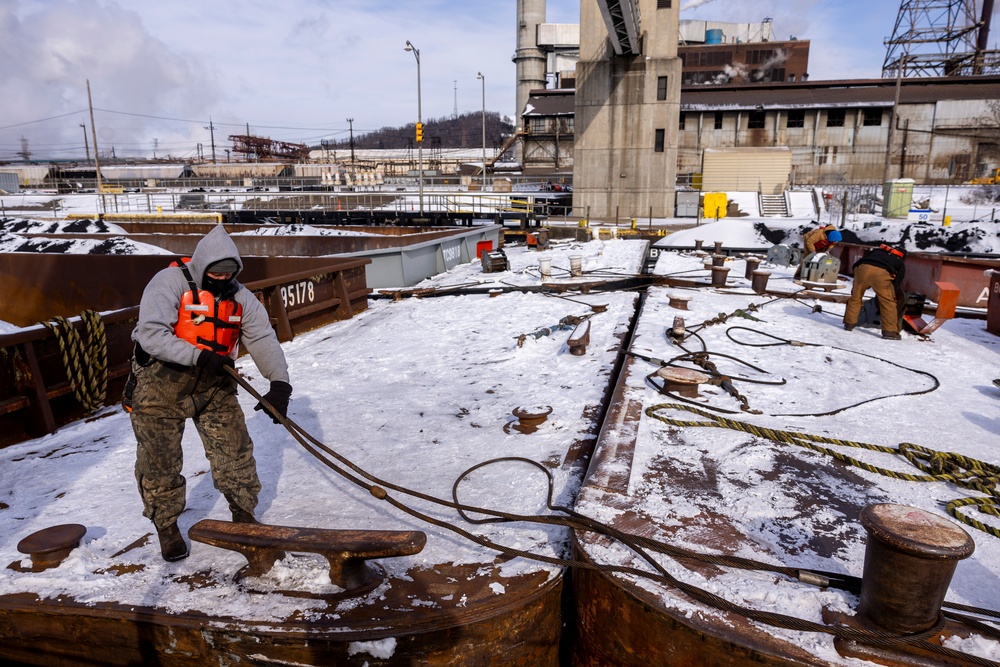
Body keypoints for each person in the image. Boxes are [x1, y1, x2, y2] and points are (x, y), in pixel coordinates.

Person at [128, 225, 293, 562]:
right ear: (201, 265)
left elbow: (261, 338)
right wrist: (199, 355)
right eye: (214, 272)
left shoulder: (241, 297)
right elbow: (151, 334)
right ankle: (166, 524)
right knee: (158, 459)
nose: (221, 278)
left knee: (235, 450)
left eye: (228, 274)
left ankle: (244, 515)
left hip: (213, 384)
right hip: (161, 383)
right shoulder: (168, 283)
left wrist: (279, 383)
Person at [843, 243, 907, 340]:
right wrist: (890, 292)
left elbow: (859, 262)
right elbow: (897, 281)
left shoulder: (877, 251)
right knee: (888, 302)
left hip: (861, 269)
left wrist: (861, 281)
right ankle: (889, 332)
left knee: (856, 297)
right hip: (880, 273)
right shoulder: (899, 261)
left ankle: (849, 323)